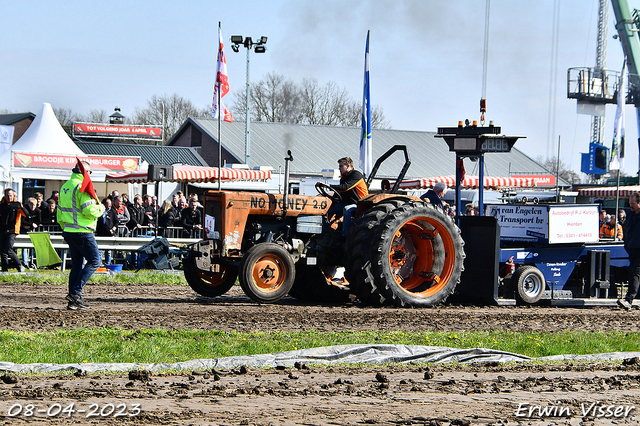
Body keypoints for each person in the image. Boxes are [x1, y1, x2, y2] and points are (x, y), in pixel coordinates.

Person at [57, 160, 105, 310]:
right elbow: (89, 210)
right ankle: (76, 293)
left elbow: (59, 213)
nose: (90, 175)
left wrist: (65, 227)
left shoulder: (65, 186)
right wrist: (101, 208)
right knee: (95, 261)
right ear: (85, 172)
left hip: (69, 231)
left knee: (77, 265)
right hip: (82, 231)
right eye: (90, 172)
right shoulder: (82, 186)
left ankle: (73, 301)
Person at [325, 157, 368, 236]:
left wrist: (329, 186)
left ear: (348, 166)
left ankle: (346, 235)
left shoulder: (356, 175)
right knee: (326, 210)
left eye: (341, 166)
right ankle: (326, 233)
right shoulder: (343, 178)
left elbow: (345, 187)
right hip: (346, 203)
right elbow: (339, 193)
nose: (339, 169)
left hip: (359, 205)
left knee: (347, 209)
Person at [619, 192, 640, 310]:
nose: (631, 206)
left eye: (633, 204)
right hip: (632, 248)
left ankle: (629, 299)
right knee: (635, 273)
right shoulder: (631, 215)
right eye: (630, 203)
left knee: (634, 273)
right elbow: (627, 231)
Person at [0, 189, 25, 272]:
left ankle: (19, 265)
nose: (9, 197)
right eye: (7, 195)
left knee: (8, 249)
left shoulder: (16, 204)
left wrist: (22, 208)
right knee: (2, 251)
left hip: (12, 230)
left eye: (10, 195)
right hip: (3, 229)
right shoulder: (2, 205)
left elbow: (26, 215)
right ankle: (4, 269)